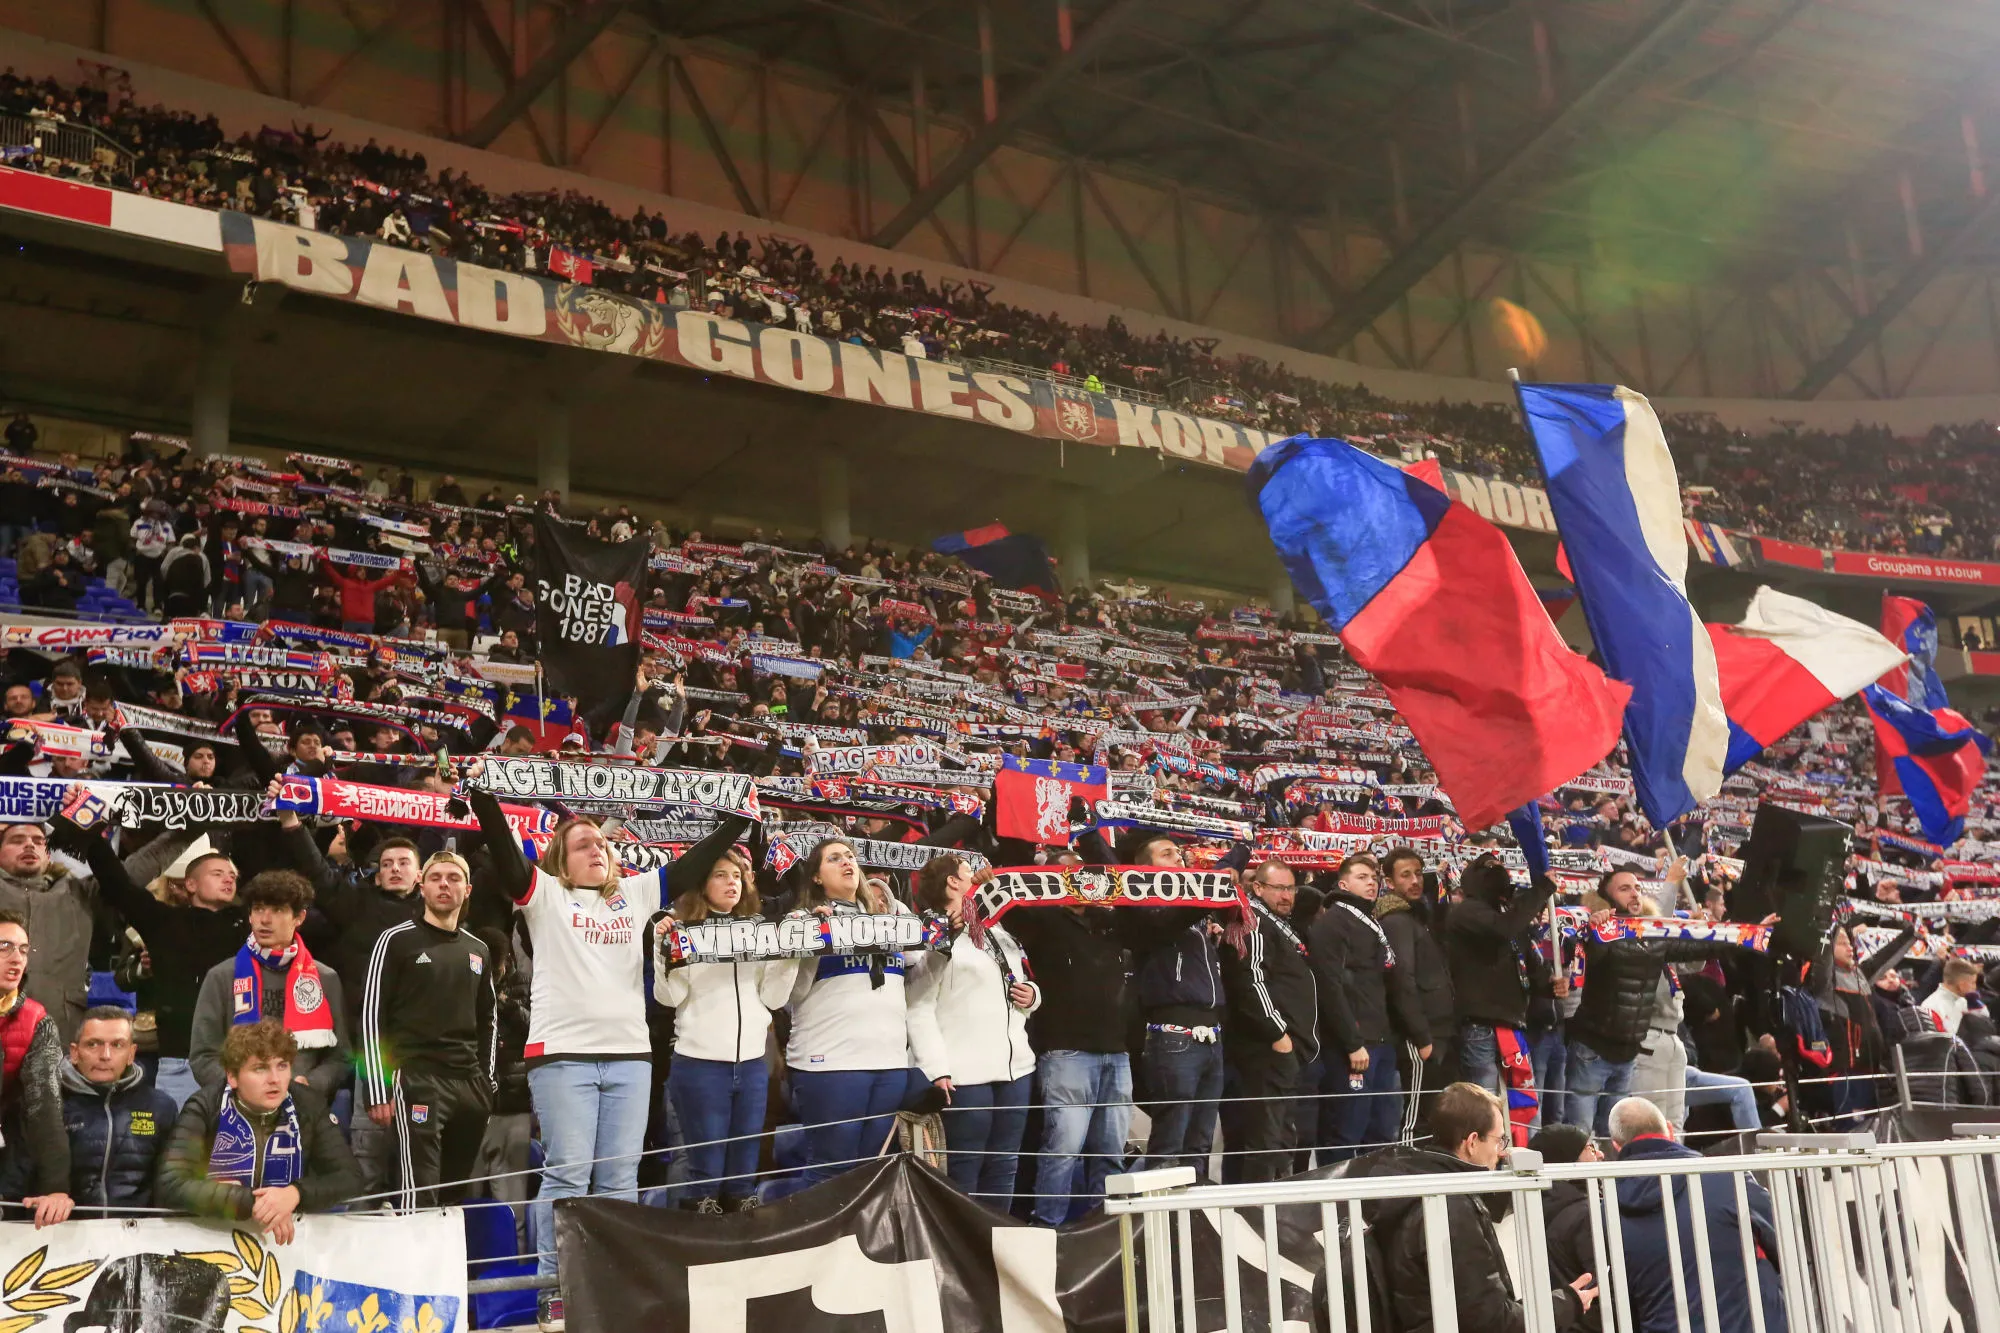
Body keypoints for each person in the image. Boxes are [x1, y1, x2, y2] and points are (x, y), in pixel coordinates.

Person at [466, 769, 697, 1327]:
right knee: (569, 1173)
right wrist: (483, 795)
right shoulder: (544, 896)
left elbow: (690, 867)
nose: (597, 848)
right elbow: (502, 847)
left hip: (630, 1056)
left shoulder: (638, 894)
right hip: (562, 1054)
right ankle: (555, 1289)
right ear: (560, 861)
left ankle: (608, 1282)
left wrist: (740, 819)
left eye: (603, 842)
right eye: (582, 843)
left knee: (619, 1177)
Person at [1359, 1083, 1596, 1332]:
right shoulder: (1452, 1209)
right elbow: (1491, 1322)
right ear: (1472, 1142)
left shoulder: (1416, 1188)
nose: (1503, 1152)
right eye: (1499, 1141)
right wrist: (1567, 1303)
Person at [61, 815, 244, 1109]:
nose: (229, 879)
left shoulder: (247, 924)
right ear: (191, 884)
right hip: (178, 1060)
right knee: (175, 1150)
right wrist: (89, 829)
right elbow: (118, 885)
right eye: (218, 873)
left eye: (233, 876)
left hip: (239, 1060)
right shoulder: (163, 921)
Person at [652, 834, 790, 1214]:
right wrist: (660, 951)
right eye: (720, 875)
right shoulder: (681, 930)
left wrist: (790, 956)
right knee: (705, 1174)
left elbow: (774, 999)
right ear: (701, 883)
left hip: (752, 1065)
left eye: (737, 875)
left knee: (744, 1179)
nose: (732, 882)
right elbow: (669, 998)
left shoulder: (758, 929)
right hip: (700, 1065)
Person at [774, 837, 919, 1192]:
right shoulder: (803, 920)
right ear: (816, 878)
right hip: (831, 1062)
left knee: (871, 1170)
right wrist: (807, 940)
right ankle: (818, 1246)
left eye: (850, 856)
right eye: (834, 858)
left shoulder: (890, 924)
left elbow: (918, 977)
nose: (846, 862)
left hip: (888, 1062)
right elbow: (788, 996)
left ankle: (856, 1246)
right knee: (830, 1169)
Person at [1005, 855, 1138, 1226]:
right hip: (1066, 1052)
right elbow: (1009, 903)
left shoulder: (1109, 922)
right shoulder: (1042, 920)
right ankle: (1049, 1228)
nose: (1087, 884)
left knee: (1110, 1151)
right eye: (1076, 877)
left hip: (1117, 1052)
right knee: (1062, 1149)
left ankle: (1103, 1227)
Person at [357, 851, 495, 1209]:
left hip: (469, 1084)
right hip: (417, 1077)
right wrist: (377, 1088)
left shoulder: (478, 949)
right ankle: (411, 1265)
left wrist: (486, 1082)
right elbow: (372, 1015)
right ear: (421, 885)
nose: (444, 885)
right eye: (435, 878)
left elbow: (488, 1019)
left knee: (453, 1195)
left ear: (468, 889)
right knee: (417, 1192)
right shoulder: (395, 940)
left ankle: (444, 1266)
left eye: (453, 878)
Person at [907, 854, 1040, 1209]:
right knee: (966, 1170)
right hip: (965, 1075)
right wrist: (936, 1068)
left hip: (1016, 1070)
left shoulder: (997, 930)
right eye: (970, 872)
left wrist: (1032, 996)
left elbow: (1019, 981)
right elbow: (917, 1004)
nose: (979, 876)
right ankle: (964, 1253)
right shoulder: (929, 932)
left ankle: (998, 1246)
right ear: (953, 882)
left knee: (1005, 1165)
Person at [155, 1020, 361, 1237]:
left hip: (290, 1243)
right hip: (214, 1236)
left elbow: (349, 1177)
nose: (275, 1079)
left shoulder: (308, 1104)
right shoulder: (206, 1106)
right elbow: (170, 1184)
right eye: (260, 1068)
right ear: (232, 1077)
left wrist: (295, 1194)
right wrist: (249, 1201)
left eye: (282, 1066)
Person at [1607, 1096, 1787, 1333]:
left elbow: (1622, 1299)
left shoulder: (1608, 1209)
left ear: (1616, 1145)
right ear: (1670, 1130)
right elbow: (1784, 1244)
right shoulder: (1728, 1177)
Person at [187, 871, 351, 1102]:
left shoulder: (325, 978)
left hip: (304, 1107)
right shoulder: (221, 976)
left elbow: (340, 1057)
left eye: (277, 910)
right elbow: (202, 1056)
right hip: (237, 1106)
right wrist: (243, 1090)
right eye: (258, 909)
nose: (265, 919)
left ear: (299, 917)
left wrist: (310, 1084)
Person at [1310, 854, 1431, 1160]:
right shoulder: (1335, 921)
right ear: (1343, 883)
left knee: (1381, 1130)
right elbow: (1330, 986)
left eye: (1374, 878)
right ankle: (1337, 1206)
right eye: (1362, 877)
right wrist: (1352, 1042)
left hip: (1381, 1042)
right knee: (1345, 1130)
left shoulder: (1368, 919)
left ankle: (1373, 1205)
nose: (1371, 883)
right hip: (1354, 1047)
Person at [1219, 859, 1318, 1182]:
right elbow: (1251, 979)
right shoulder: (1255, 921)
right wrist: (1279, 1034)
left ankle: (1274, 1214)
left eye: (1291, 888)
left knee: (1280, 1137)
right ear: (1257, 888)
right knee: (1267, 1139)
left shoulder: (1275, 923)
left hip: (1280, 1050)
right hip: (1267, 1050)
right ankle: (1259, 1216)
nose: (1287, 896)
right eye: (1279, 888)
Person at [1448, 853, 1561, 1121]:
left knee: (1525, 1104)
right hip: (1480, 1025)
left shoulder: (1509, 916)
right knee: (1485, 1108)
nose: (1499, 874)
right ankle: (1487, 1162)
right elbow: (1502, 929)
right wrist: (1542, 890)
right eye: (1490, 869)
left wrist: (1551, 985)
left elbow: (1527, 964)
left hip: (1512, 1024)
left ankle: (1527, 1157)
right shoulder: (1466, 911)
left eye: (1501, 868)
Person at [45, 1006, 178, 1215]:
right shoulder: (48, 1105)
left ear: (131, 1054)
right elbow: (20, 1178)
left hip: (141, 1237)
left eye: (117, 1045)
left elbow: (172, 1185)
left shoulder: (161, 1107)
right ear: (74, 1052)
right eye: (93, 1044)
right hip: (64, 1236)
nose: (105, 1055)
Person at [1375, 847, 1453, 1137]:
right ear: (1390, 883)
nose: (1415, 881)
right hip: (1421, 1035)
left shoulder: (1416, 917)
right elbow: (1401, 979)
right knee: (1415, 1118)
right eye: (1405, 875)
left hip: (1436, 1030)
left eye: (1418, 873)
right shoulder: (1396, 920)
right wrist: (1421, 1036)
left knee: (1433, 1116)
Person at [0, 910, 70, 1227]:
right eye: (4, 947)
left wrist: (56, 1189)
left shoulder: (36, 1020)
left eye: (23, 950)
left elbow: (45, 1106)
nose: (17, 959)